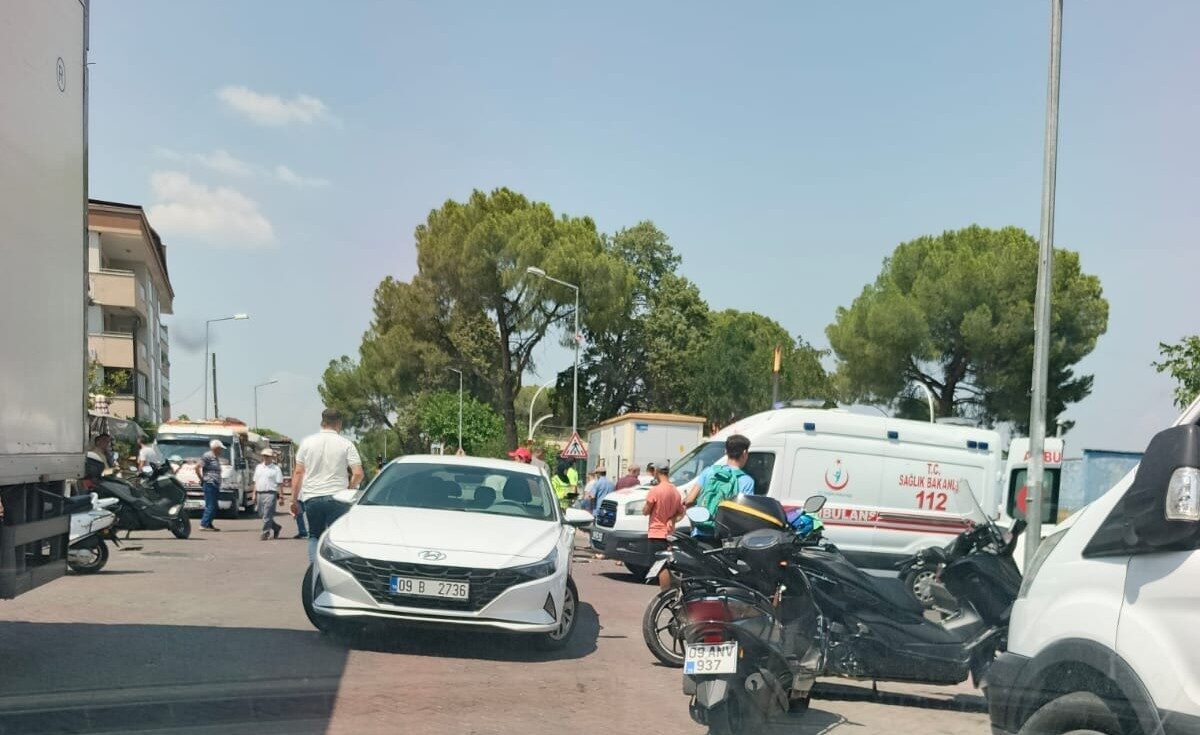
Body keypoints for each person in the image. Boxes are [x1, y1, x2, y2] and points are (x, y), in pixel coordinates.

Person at [291, 409, 363, 561]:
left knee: (314, 536)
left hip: (312, 497)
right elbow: (358, 473)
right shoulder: (346, 444)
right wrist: (349, 489)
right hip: (338, 498)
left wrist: (294, 500)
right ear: (339, 423)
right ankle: (332, 569)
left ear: (322, 423)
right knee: (337, 538)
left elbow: (298, 472)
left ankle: (315, 569)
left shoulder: (307, 443)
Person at [684, 434, 755, 537]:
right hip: (725, 537)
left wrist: (695, 523)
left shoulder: (709, 471)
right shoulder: (747, 481)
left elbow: (689, 500)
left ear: (725, 451)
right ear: (744, 453)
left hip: (700, 533)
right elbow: (745, 513)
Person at [643, 463, 684, 590]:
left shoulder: (655, 490)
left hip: (656, 532)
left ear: (657, 472)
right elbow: (681, 512)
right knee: (667, 564)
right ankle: (673, 589)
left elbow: (646, 511)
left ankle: (665, 593)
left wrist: (645, 508)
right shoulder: (675, 491)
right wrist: (672, 519)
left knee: (660, 565)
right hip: (669, 533)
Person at [254, 448, 284, 540]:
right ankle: (276, 527)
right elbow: (255, 481)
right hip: (260, 493)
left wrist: (281, 496)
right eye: (264, 456)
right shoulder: (258, 467)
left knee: (267, 514)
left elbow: (280, 483)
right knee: (261, 514)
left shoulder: (276, 469)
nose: (266, 458)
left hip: (271, 493)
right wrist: (254, 494)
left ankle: (265, 532)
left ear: (271, 457)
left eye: (267, 456)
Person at [198, 439, 224, 532]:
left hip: (215, 483)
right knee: (210, 505)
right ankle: (203, 524)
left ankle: (209, 523)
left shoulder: (215, 457)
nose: (221, 450)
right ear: (216, 448)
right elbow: (197, 467)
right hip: (209, 483)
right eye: (220, 448)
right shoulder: (207, 456)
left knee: (214, 505)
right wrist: (202, 479)